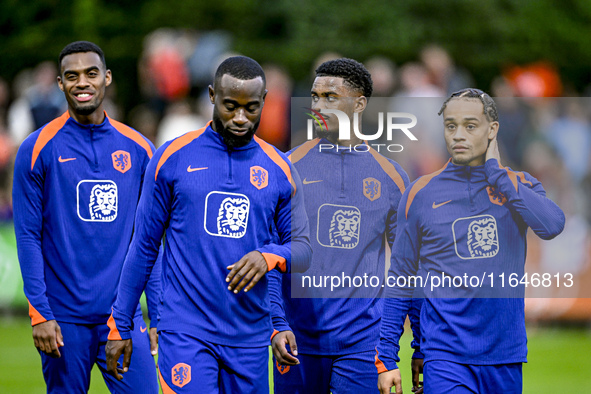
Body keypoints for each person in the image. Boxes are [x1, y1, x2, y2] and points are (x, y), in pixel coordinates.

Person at [105, 56, 312, 393]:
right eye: (230, 106)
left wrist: (268, 257)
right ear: (212, 95)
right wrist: (120, 324)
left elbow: (303, 250)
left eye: (252, 108)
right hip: (185, 331)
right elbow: (143, 246)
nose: (241, 118)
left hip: (249, 337)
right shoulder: (172, 158)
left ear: (265, 101)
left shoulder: (280, 168)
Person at [376, 88, 565, 393]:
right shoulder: (420, 194)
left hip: (505, 357)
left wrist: (496, 173)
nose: (458, 135)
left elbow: (552, 225)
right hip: (445, 356)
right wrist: (387, 357)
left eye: (470, 126)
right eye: (451, 126)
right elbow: (401, 279)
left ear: (492, 130)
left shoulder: (517, 186)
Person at [12, 41, 160, 393]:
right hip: (63, 320)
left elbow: (150, 240)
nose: (83, 82)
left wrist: (159, 313)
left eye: (91, 73)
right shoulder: (36, 149)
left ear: (106, 78)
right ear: (60, 84)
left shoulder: (140, 149)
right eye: (72, 76)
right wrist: (40, 314)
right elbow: (28, 236)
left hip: (122, 317)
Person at [269, 58, 422, 393]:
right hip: (296, 341)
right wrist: (276, 324)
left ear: (360, 103)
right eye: (314, 96)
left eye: (330, 97)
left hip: (364, 343)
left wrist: (418, 346)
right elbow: (270, 257)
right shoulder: (286, 167)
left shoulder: (392, 177)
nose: (318, 105)